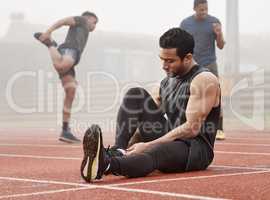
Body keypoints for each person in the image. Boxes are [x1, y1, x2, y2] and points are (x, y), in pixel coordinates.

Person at [80, 28, 221, 182]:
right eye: (162, 59)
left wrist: (147, 145)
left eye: (170, 61)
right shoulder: (166, 82)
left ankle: (106, 165)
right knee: (135, 94)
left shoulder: (204, 80)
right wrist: (129, 148)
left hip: (195, 149)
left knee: (156, 150)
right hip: (171, 138)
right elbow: (144, 121)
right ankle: (117, 151)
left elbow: (191, 129)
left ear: (187, 57)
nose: (164, 66)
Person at [34, 11, 98, 143]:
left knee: (71, 91)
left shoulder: (83, 27)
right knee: (61, 66)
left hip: (71, 57)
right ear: (89, 18)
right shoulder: (82, 20)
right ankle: (50, 44)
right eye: (95, 22)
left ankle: (65, 130)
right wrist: (48, 32)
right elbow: (63, 21)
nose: (95, 26)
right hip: (70, 50)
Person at [180, 0, 225, 140]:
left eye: (206, 9)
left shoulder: (214, 22)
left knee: (215, 96)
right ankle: (187, 127)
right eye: (201, 10)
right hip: (192, 65)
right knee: (187, 95)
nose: (204, 12)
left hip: (210, 63)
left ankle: (219, 129)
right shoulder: (185, 23)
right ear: (194, 9)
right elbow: (180, 44)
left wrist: (218, 34)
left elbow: (221, 45)